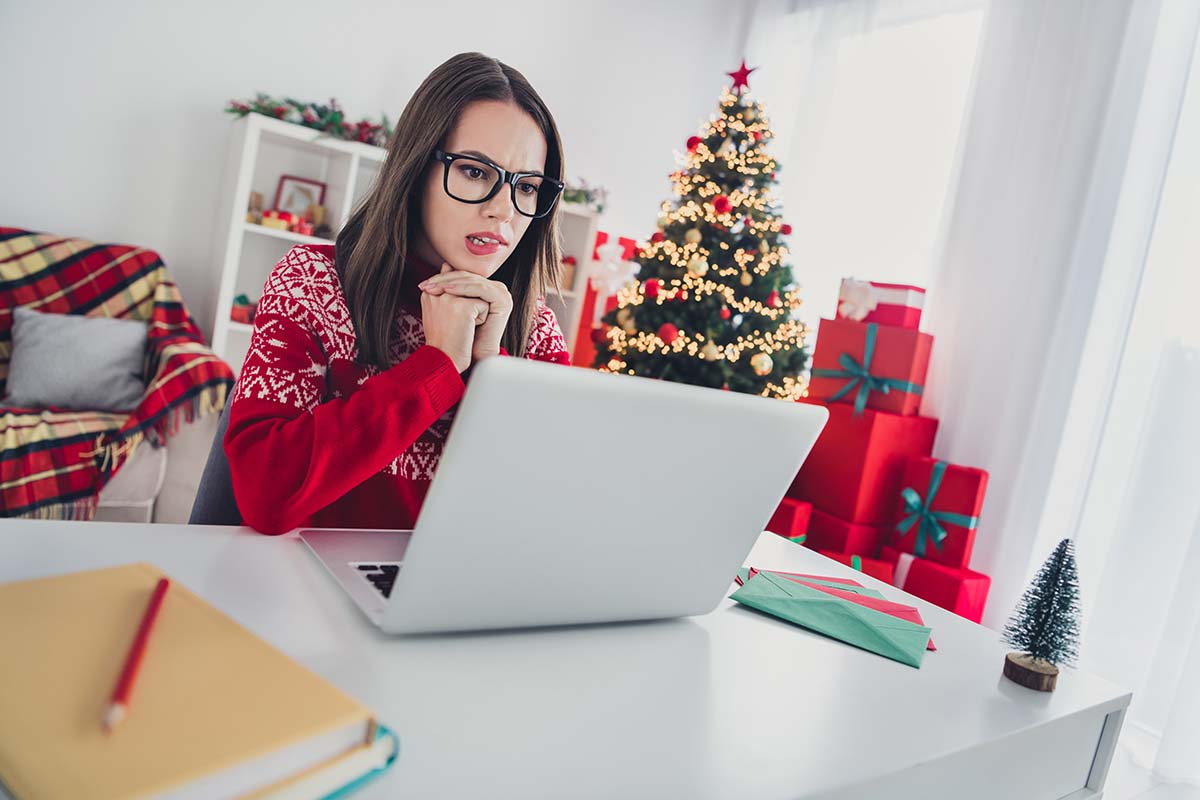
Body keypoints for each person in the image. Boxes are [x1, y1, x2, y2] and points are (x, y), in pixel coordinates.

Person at [224, 52, 571, 535]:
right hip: (306, 574)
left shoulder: (534, 327)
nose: (504, 211)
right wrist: (437, 365)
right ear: (416, 167)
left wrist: (490, 370)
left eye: (527, 187)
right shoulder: (312, 282)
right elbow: (265, 495)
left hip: (458, 579)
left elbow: (546, 512)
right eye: (475, 172)